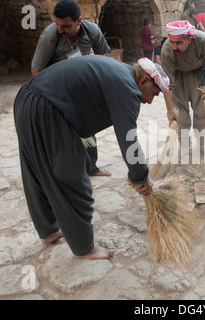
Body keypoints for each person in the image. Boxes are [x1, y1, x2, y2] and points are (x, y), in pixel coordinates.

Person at [14, 55, 169, 259]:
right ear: (143, 81)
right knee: (74, 179)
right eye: (154, 94)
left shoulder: (119, 72)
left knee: (37, 171)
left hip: (27, 100)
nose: (149, 101)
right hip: (48, 111)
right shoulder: (128, 89)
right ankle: (84, 247)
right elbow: (128, 139)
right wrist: (140, 176)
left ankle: (48, 231)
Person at [31, 0, 111, 177]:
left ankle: (91, 167)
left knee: (88, 126)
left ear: (79, 21)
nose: (60, 29)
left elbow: (103, 60)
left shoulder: (92, 31)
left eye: (66, 26)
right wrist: (45, 97)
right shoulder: (50, 35)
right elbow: (36, 68)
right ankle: (58, 170)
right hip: (55, 88)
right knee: (58, 130)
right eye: (57, 24)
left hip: (82, 86)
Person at [160, 20, 205, 155]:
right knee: (180, 114)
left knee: (202, 112)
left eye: (179, 43)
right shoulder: (167, 50)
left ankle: (202, 145)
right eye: (172, 42)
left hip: (200, 74)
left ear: (189, 39)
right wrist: (169, 109)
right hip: (178, 76)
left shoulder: (204, 41)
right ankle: (185, 146)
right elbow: (168, 84)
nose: (174, 47)